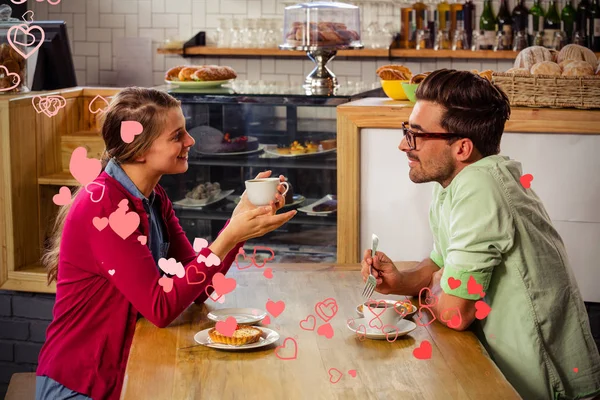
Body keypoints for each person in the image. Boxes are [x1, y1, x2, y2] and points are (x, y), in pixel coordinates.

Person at [35, 87, 297, 400]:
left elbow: (198, 288)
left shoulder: (153, 197)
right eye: (177, 135)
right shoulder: (103, 206)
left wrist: (238, 225)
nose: (190, 141)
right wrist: (231, 237)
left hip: (125, 373)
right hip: (82, 386)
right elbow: (160, 307)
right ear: (140, 149)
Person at [361, 69, 600, 400]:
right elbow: (440, 262)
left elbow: (455, 313)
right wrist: (401, 280)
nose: (404, 144)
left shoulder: (479, 187)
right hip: (503, 372)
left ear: (461, 148)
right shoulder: (456, 183)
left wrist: (435, 289)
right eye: (406, 130)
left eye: (416, 134)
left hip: (546, 385)